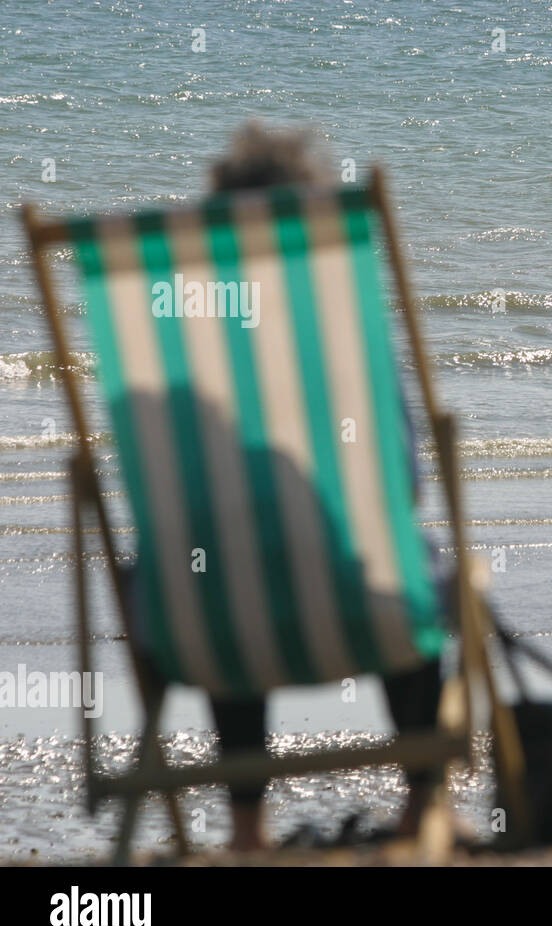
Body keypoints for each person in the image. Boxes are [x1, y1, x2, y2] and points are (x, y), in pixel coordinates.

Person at [131, 121, 447, 852]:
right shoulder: (347, 340)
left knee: (218, 569)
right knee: (395, 563)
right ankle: (419, 806)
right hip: (366, 608)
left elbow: (159, 502)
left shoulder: (177, 349)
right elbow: (405, 485)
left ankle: (246, 828)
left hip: (206, 623)